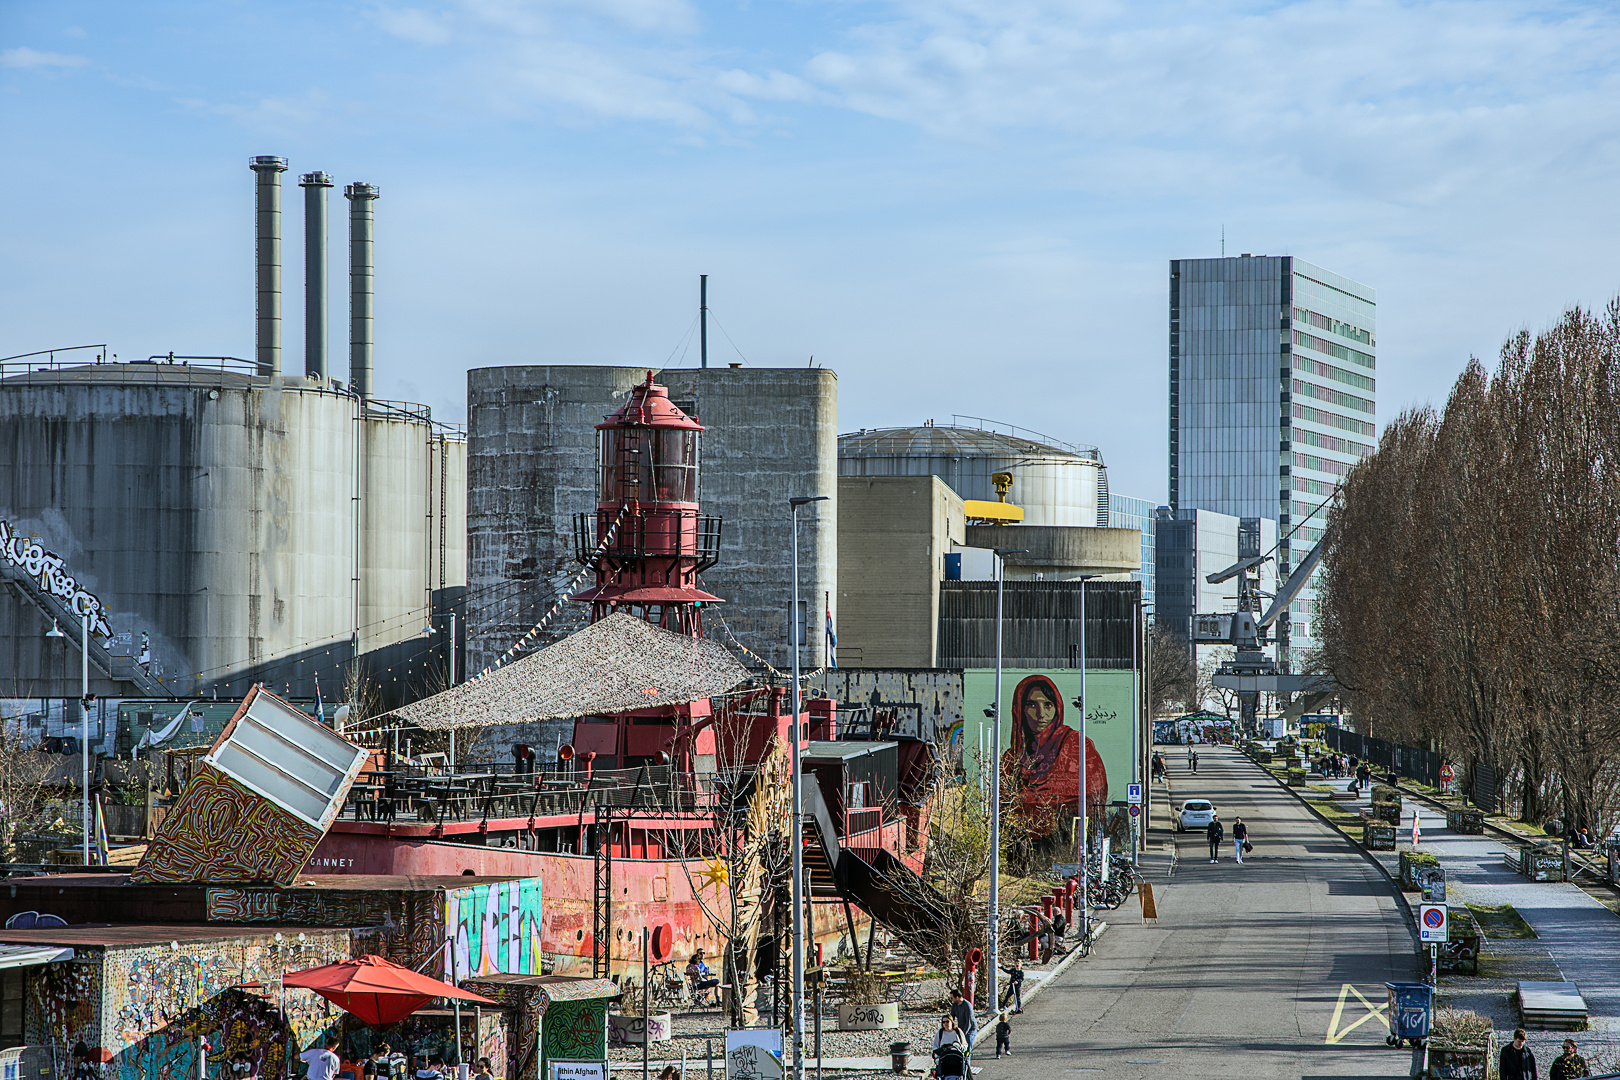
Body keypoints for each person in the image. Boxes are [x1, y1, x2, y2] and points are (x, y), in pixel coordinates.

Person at [1002, 675, 1107, 824]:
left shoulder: (1078, 746)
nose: (1041, 714)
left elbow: (1093, 793)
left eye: (1048, 705)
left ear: (1057, 708)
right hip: (1018, 842)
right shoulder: (1010, 760)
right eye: (1032, 705)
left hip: (1069, 836)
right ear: (1019, 709)